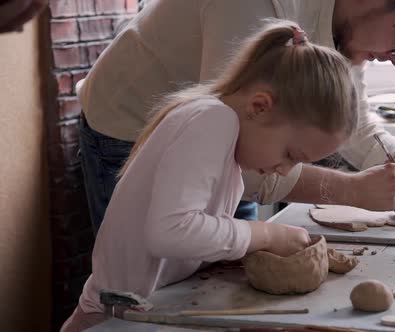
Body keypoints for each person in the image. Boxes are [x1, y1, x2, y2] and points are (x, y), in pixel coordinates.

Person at [77, 0, 395, 232]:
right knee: (149, 291)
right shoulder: (259, 7)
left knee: (215, 278)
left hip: (236, 150)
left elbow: (357, 126)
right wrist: (352, 190)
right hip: (129, 128)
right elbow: (234, 155)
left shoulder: (347, 28)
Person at [60, 20, 358, 331]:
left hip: (148, 306)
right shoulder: (212, 122)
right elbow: (171, 232)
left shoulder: (226, 142)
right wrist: (267, 234)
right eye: (290, 155)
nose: (285, 170)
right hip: (114, 315)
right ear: (259, 106)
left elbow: (191, 239)